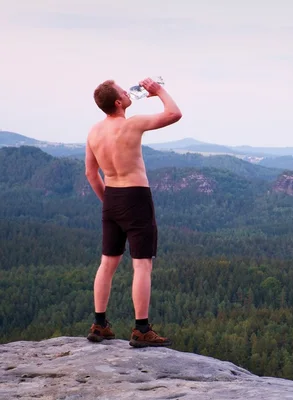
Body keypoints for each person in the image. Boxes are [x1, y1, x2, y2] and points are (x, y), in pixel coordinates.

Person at [84, 77, 182, 347]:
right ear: (118, 102)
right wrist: (159, 90)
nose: (128, 93)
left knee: (107, 263)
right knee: (142, 264)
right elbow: (174, 113)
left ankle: (99, 324)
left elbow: (91, 174)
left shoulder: (94, 132)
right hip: (136, 196)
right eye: (122, 92)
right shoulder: (132, 124)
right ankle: (141, 329)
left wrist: (108, 202)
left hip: (112, 196)